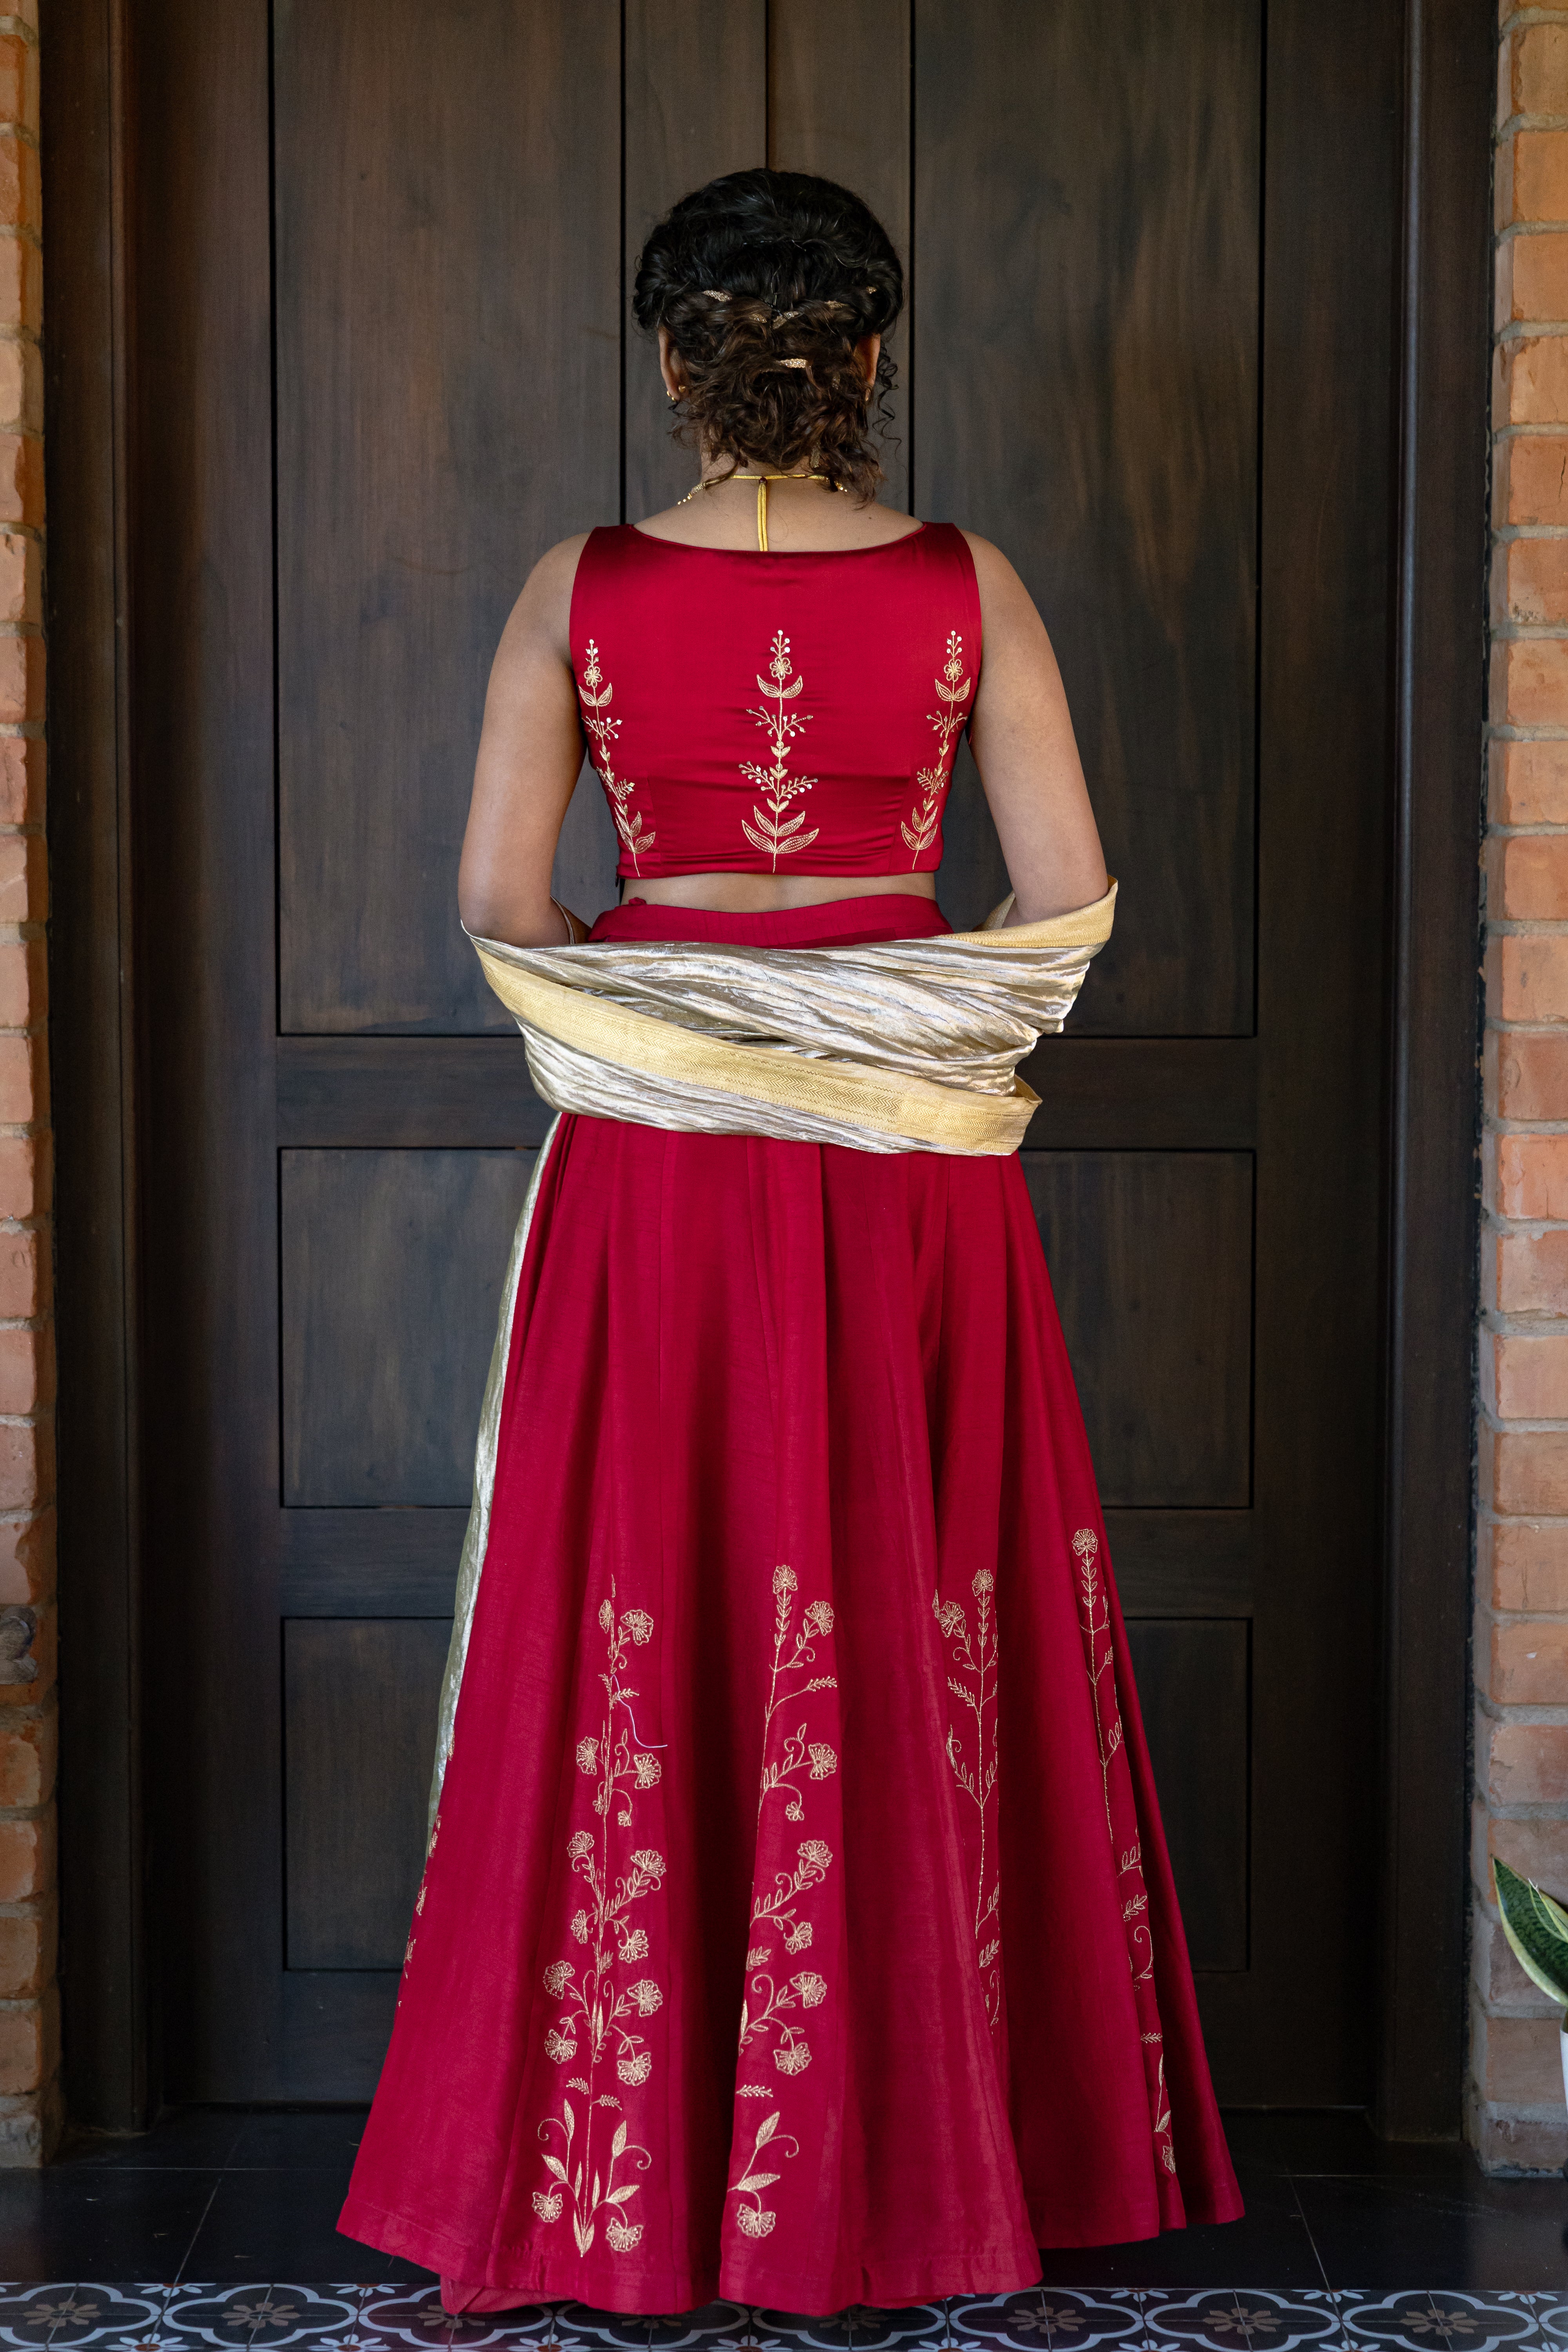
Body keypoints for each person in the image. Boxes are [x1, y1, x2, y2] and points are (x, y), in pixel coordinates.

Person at [338, 165, 1241, 2319]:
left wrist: (683, 1014)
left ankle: (619, 2189)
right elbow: (1065, 904)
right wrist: (855, 1016)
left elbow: (498, 905)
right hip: (905, 1179)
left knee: (644, 1586)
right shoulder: (968, 584)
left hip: (659, 1176)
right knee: (904, 1589)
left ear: (674, 359)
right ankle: (921, 2172)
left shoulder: (576, 584)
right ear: (863, 364)